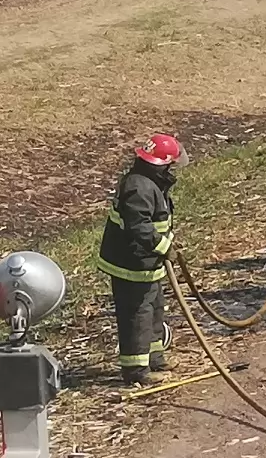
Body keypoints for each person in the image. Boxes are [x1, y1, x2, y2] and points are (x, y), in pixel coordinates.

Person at [96, 134, 183, 385]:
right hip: (131, 265)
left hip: (147, 263)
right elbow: (139, 227)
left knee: (155, 309)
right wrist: (164, 247)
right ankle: (136, 371)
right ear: (161, 164)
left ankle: (154, 357)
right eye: (171, 163)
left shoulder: (151, 183)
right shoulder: (139, 187)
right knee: (138, 315)